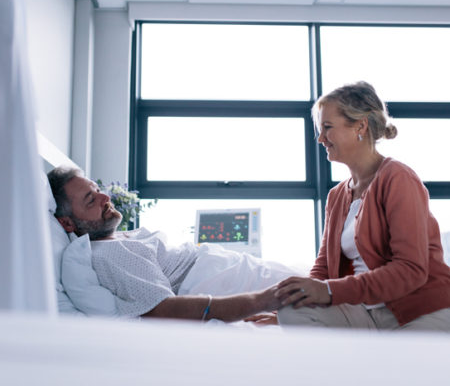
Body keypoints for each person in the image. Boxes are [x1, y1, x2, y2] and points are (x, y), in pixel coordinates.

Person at [275, 81, 450, 331]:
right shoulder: (337, 196)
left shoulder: (398, 178)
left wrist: (328, 291)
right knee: (292, 310)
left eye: (327, 128)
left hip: (418, 310)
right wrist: (302, 294)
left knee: (390, 367)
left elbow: (411, 269)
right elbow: (323, 268)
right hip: (367, 312)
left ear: (360, 126)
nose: (320, 138)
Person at [48, 166, 299, 323]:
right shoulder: (107, 253)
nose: (105, 197)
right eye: (91, 200)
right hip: (214, 277)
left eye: (98, 189)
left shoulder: (117, 240)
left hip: (224, 268)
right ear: (68, 223)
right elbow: (162, 308)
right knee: (319, 291)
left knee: (320, 286)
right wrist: (261, 301)